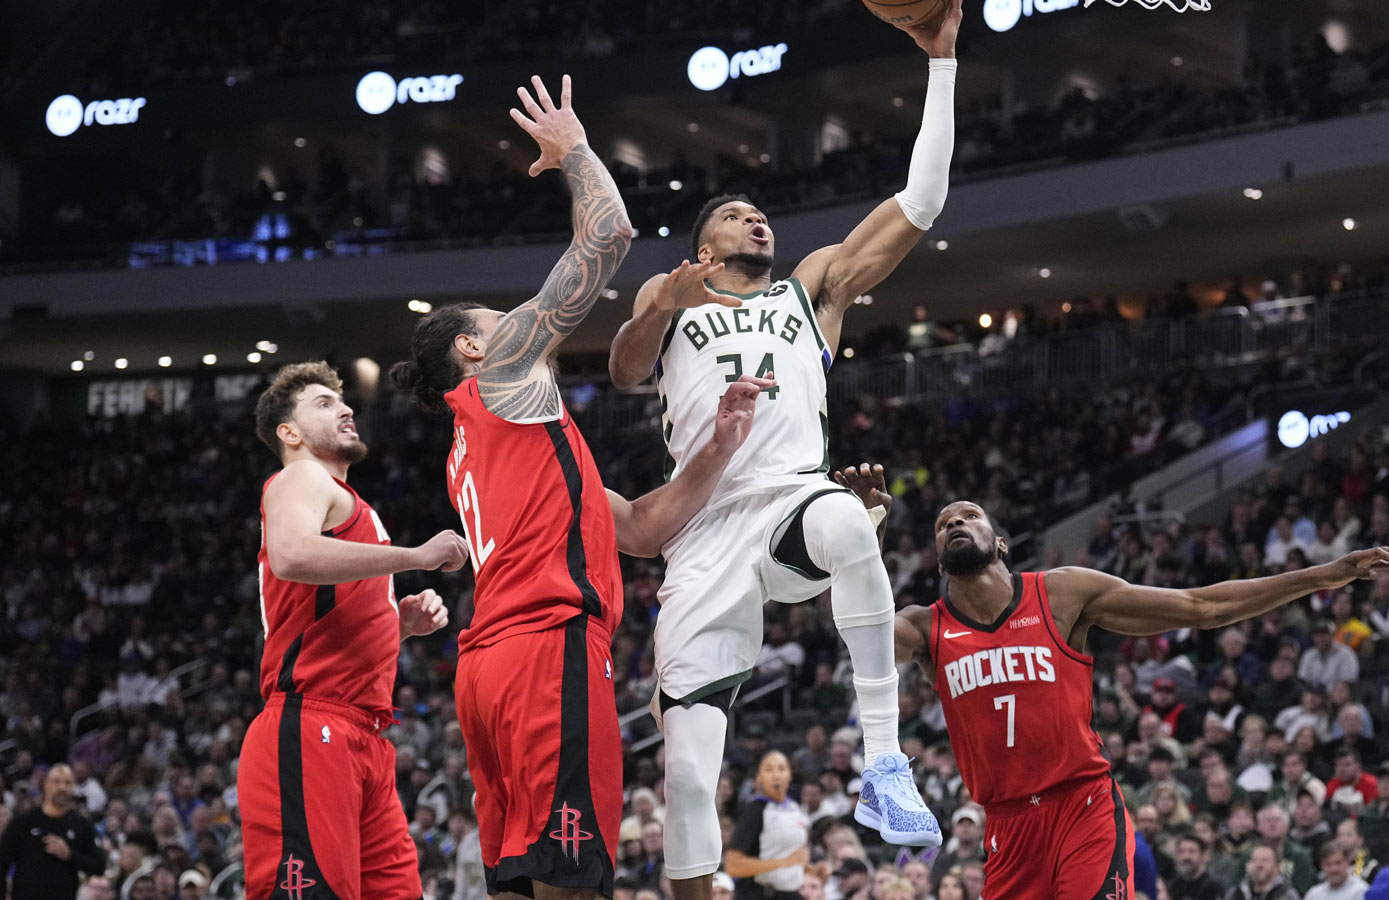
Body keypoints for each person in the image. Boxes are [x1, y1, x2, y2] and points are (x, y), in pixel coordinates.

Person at [605, 3, 967, 892]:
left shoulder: (811, 290)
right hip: (700, 535)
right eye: (736, 214)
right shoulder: (674, 294)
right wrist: (659, 302)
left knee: (849, 521)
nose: (756, 219)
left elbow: (920, 203)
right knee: (688, 774)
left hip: (789, 503)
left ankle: (884, 764)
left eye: (760, 212)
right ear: (703, 247)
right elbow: (622, 368)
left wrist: (944, 66)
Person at [390, 74, 770, 900]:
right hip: (545, 651)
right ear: (471, 350)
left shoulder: (490, 448)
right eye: (500, 319)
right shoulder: (501, 377)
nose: (524, 323)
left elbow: (636, 528)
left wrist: (717, 446)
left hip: (488, 673)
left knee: (523, 885)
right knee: (573, 883)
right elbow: (610, 236)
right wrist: (575, 152)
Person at [845, 466, 1389, 900]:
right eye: (944, 525)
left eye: (968, 516)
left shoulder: (1062, 594)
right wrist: (859, 537)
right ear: (940, 560)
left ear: (1001, 542)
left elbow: (1199, 605)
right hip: (1008, 825)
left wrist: (1325, 575)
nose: (955, 524)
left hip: (1081, 805)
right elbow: (851, 624)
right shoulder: (925, 628)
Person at [242, 361, 467, 900]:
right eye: (323, 403)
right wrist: (413, 556)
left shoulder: (351, 507)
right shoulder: (301, 477)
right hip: (309, 724)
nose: (344, 408)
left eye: (341, 401)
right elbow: (291, 555)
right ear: (288, 433)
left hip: (363, 734)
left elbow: (317, 613)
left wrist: (397, 628)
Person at [0, 764, 107, 900]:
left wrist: (69, 855)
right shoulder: (23, 821)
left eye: (68, 783)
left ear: (73, 788)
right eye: (56, 782)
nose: (62, 787)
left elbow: (99, 866)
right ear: (45, 785)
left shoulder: (82, 824)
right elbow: (2, 863)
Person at [725, 752, 810, 900]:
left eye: (781, 769)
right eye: (769, 770)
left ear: (790, 775)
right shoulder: (755, 810)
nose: (776, 775)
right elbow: (733, 865)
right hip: (759, 893)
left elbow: (792, 858)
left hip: (790, 894)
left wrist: (813, 871)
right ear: (758, 778)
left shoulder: (795, 809)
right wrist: (784, 863)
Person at [1228, 845, 1302, 900]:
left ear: (1277, 867)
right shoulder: (1236, 893)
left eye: (1265, 860)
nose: (1259, 865)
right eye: (1255, 860)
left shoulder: (1287, 895)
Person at [1172, 833, 1226, 900]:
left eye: (1192, 851)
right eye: (1181, 852)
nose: (1186, 857)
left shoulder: (1213, 887)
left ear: (1204, 856)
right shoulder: (1175, 885)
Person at [1305, 844, 1369, 900]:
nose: (1334, 869)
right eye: (1328, 864)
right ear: (1322, 866)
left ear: (1347, 863)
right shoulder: (1313, 894)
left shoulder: (1361, 891)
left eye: (1338, 863)